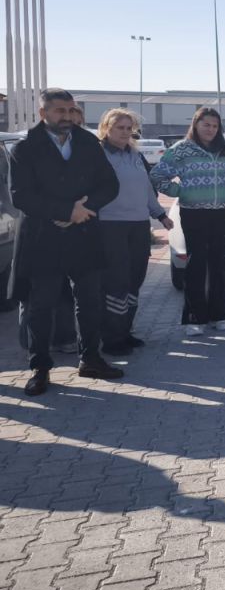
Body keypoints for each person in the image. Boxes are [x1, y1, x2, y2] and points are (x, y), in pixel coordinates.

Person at [9, 88, 123, 396]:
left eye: (71, 110)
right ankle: (40, 368)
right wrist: (65, 212)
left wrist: (84, 210)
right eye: (60, 110)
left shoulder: (88, 143)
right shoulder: (25, 148)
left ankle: (91, 359)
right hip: (43, 238)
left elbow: (109, 184)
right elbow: (21, 196)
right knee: (40, 307)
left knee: (89, 302)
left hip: (83, 233)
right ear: (43, 112)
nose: (68, 116)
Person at [151, 108, 225, 334]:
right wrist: (182, 191)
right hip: (194, 213)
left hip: (222, 212)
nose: (210, 129)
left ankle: (219, 315)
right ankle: (193, 318)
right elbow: (157, 175)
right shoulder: (181, 150)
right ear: (196, 124)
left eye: (214, 125)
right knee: (196, 263)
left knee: (217, 265)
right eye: (206, 124)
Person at [97, 108, 173, 355]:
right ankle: (111, 338)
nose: (125, 132)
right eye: (120, 127)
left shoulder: (135, 155)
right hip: (110, 226)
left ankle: (125, 331)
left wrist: (160, 215)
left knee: (134, 280)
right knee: (116, 282)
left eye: (129, 128)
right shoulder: (97, 155)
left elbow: (147, 190)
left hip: (138, 225)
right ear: (106, 128)